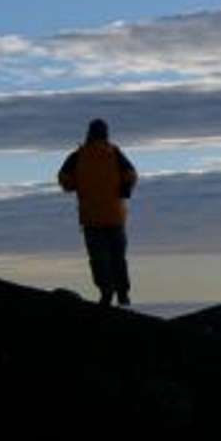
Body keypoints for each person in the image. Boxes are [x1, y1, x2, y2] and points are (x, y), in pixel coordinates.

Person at [57, 118, 139, 306]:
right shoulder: (115, 153)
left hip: (91, 219)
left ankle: (106, 293)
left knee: (98, 259)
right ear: (106, 134)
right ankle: (123, 295)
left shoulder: (78, 156)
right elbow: (131, 175)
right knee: (118, 257)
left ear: (89, 133)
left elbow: (64, 180)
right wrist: (124, 191)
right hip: (115, 217)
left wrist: (78, 186)